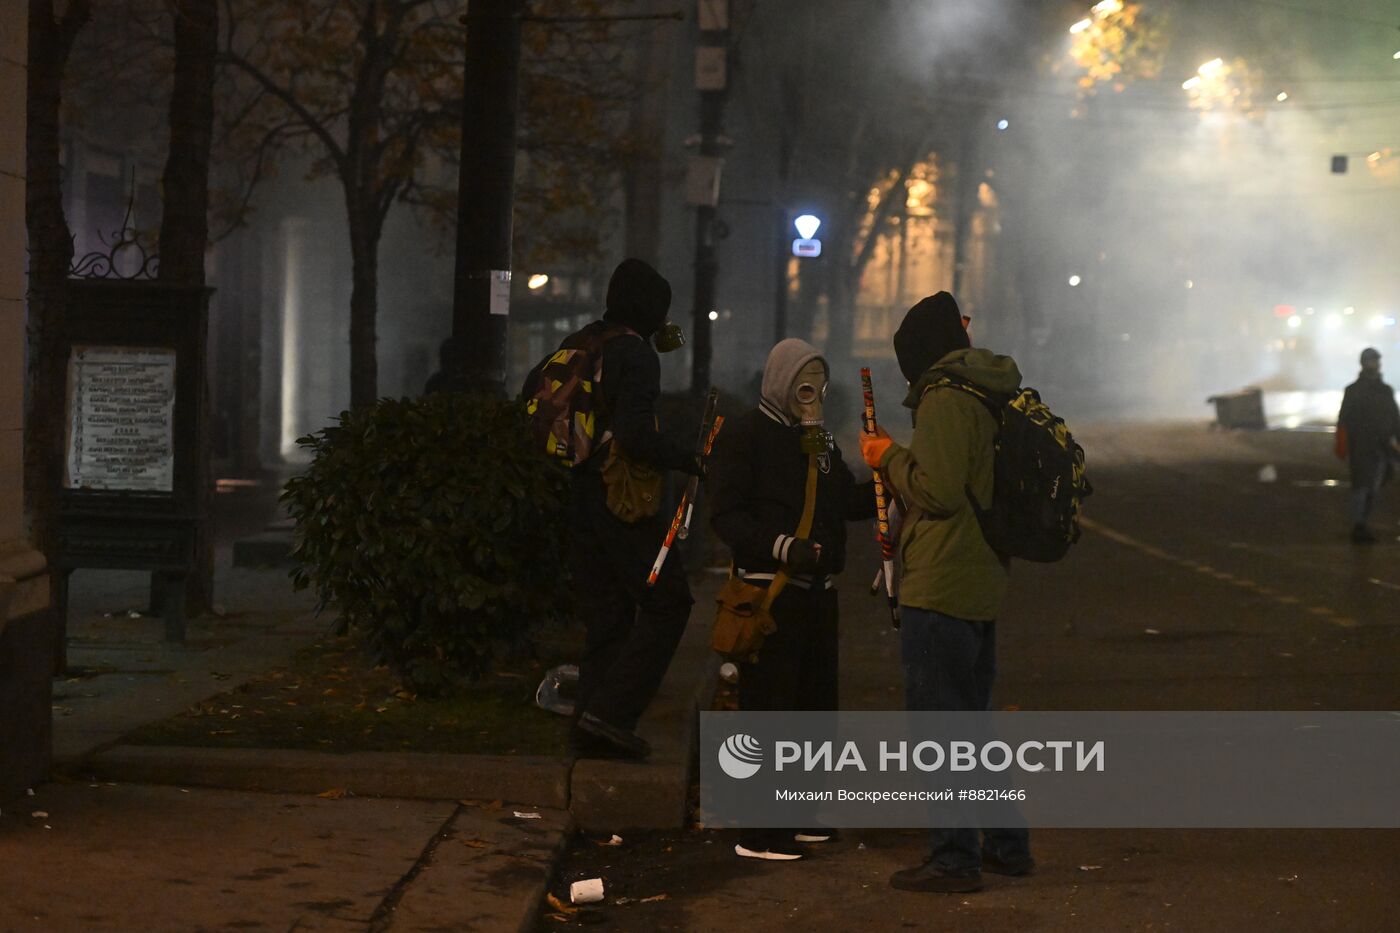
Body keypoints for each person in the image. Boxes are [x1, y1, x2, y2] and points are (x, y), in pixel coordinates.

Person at [859, 292, 1033, 893]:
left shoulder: (944, 398)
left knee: (941, 734)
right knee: (973, 727)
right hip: (979, 575)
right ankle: (1007, 843)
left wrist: (886, 457)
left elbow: (936, 490)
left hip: (941, 582)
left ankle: (954, 857)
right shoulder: (984, 392)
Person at [708, 338, 875, 861]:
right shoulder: (745, 434)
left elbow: (844, 499)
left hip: (818, 594)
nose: (812, 395)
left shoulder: (816, 440)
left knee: (814, 710)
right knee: (770, 711)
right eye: (804, 384)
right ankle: (759, 830)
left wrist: (888, 484)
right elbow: (727, 514)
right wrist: (785, 548)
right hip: (770, 595)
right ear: (781, 381)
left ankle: (802, 813)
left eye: (819, 385)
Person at [529, 259, 700, 758]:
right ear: (650, 309)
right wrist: (689, 458)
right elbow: (635, 435)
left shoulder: (579, 344)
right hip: (619, 496)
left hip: (577, 493)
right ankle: (611, 714)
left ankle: (588, 726)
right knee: (669, 601)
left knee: (607, 615)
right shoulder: (637, 356)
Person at [1337, 347, 1400, 544]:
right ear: (1363, 363)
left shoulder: (1385, 390)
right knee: (1361, 488)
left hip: (1381, 447)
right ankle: (1359, 525)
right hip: (1361, 447)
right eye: (1371, 361)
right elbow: (1343, 419)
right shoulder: (1353, 390)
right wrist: (1342, 443)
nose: (1375, 364)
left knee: (1373, 488)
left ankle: (1363, 523)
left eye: (1376, 360)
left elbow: (1395, 418)